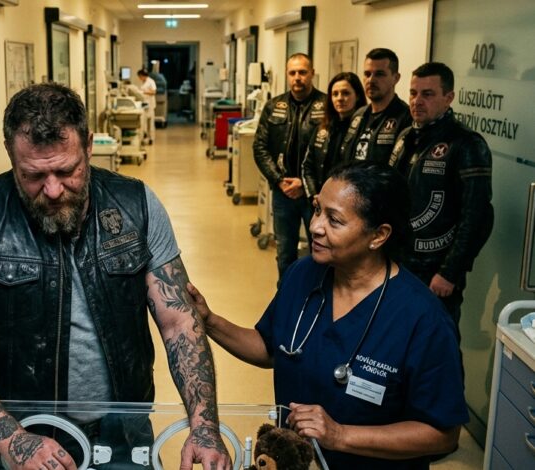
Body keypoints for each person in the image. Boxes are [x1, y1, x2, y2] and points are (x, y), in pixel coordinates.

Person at [0, 83, 231, 470]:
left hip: (123, 435)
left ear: (88, 145)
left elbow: (180, 323)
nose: (53, 190)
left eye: (66, 171)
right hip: (24, 436)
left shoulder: (136, 206)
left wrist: (204, 426)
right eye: (34, 175)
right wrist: (13, 441)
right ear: (10, 153)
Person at [188, 161, 467, 469]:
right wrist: (209, 321)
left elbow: (443, 434)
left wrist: (340, 435)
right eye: (317, 209)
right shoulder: (303, 274)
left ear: (379, 235)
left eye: (334, 220)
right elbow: (270, 348)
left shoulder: (422, 319)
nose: (315, 226)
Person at [389, 62, 494, 339]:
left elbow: (477, 215)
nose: (417, 101)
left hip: (436, 271)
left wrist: (450, 272)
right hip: (398, 261)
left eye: (427, 94)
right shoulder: (406, 137)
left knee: (437, 344)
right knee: (397, 340)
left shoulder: (467, 144)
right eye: (413, 93)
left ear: (448, 98)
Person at [253, 53, 326, 280]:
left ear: (312, 73)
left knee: (320, 251)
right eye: (292, 73)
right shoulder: (274, 106)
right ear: (287, 75)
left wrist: (305, 184)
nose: (297, 77)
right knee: (285, 253)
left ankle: (317, 292)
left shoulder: (326, 106)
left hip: (316, 194)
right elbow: (260, 147)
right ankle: (287, 293)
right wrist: (278, 180)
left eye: (302, 72)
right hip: (283, 192)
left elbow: (332, 153)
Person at [338, 48, 411, 164]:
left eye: (379, 74)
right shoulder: (358, 115)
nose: (371, 80)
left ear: (395, 78)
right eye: (367, 74)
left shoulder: (406, 117)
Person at [301, 72, 366, 201]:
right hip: (320, 198)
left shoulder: (363, 129)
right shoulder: (323, 128)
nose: (340, 98)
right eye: (335, 94)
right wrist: (313, 195)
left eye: (346, 93)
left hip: (349, 201)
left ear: (357, 96)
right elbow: (307, 166)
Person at [137, 68, 157, 145]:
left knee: (150, 123)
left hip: (150, 105)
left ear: (142, 75)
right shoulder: (143, 82)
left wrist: (143, 92)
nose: (139, 78)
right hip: (144, 104)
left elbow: (153, 92)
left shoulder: (151, 81)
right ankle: (144, 137)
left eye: (140, 76)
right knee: (144, 122)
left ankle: (151, 138)